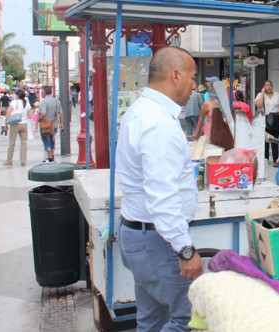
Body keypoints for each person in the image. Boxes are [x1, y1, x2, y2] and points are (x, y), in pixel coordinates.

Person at [115, 46, 202, 331]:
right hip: (156, 240)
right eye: (192, 78)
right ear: (175, 76)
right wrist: (185, 250)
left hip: (142, 235)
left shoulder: (145, 111)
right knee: (186, 319)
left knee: (153, 319)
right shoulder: (156, 124)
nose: (194, 86)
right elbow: (162, 198)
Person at [255, 80, 279, 166]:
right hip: (264, 120)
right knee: (265, 141)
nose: (269, 87)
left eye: (270, 85)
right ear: (264, 87)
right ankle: (265, 159)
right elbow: (259, 105)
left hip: (275, 120)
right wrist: (262, 93)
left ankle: (276, 159)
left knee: (275, 140)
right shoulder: (260, 95)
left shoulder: (277, 95)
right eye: (266, 85)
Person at [2, 89, 31, 167]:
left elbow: (8, 113)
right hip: (24, 125)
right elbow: (30, 116)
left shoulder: (14, 102)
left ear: (17, 95)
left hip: (15, 124)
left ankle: (9, 160)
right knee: (24, 143)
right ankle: (23, 161)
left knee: (12, 143)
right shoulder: (27, 104)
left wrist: (6, 123)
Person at [38, 86, 64, 164]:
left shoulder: (44, 102)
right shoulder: (57, 101)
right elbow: (61, 113)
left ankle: (50, 158)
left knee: (47, 140)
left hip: (45, 125)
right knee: (52, 140)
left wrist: (38, 118)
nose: (41, 94)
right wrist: (62, 123)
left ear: (44, 93)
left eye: (42, 92)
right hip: (54, 124)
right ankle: (52, 156)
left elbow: (43, 113)